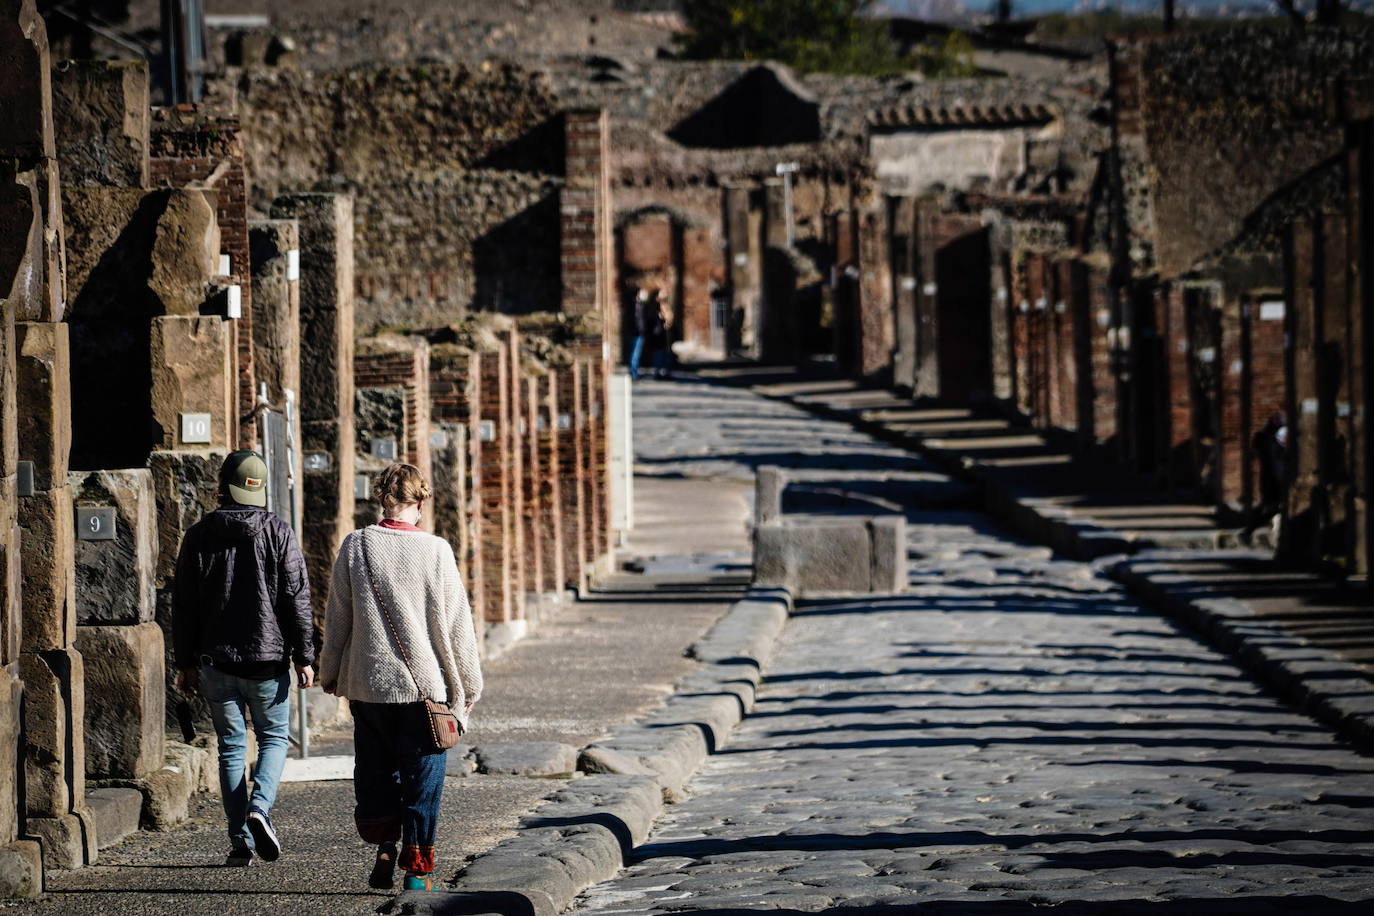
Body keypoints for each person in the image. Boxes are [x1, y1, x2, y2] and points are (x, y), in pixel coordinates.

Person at [319, 463, 482, 892]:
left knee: (375, 771)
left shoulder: (355, 546)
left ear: (381, 500)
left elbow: (338, 617)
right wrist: (469, 686)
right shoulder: (436, 551)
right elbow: (457, 625)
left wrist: (331, 671)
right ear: (421, 503)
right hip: (422, 690)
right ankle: (417, 871)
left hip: (367, 684)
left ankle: (385, 845)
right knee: (423, 779)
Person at [172, 450, 316, 867]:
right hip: (269, 662)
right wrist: (305, 656)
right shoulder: (278, 531)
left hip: (216, 662)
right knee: (273, 738)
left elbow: (184, 605)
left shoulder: (199, 535)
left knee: (231, 748)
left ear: (223, 486)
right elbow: (296, 598)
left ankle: (239, 841)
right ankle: (260, 808)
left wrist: (185, 663)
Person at [629, 287, 657, 381]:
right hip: (637, 333)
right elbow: (637, 320)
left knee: (637, 354)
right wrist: (640, 330)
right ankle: (634, 373)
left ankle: (635, 372)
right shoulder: (635, 306)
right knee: (635, 354)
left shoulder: (640, 305)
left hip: (639, 332)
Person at [651, 287, 673, 379]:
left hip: (665, 334)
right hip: (658, 333)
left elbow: (670, 318)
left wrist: (666, 318)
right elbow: (654, 319)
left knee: (665, 354)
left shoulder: (667, 306)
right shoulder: (655, 306)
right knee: (658, 354)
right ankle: (658, 371)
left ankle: (665, 372)